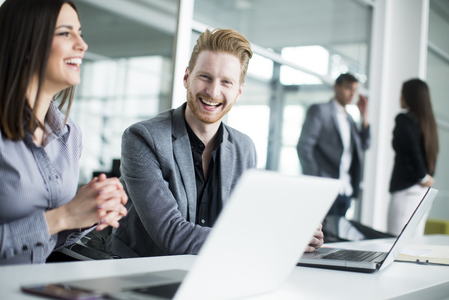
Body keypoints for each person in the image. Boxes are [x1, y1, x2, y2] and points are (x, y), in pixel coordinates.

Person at [107, 28, 324, 258]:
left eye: (226, 82)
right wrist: (274, 238)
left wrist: (296, 229)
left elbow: (245, 221)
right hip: (142, 272)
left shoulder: (244, 148)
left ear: (239, 92)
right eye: (205, 77)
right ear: (186, 77)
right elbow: (172, 234)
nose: (213, 91)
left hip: (213, 269)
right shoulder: (142, 138)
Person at [0, 0, 128, 265]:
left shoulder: (70, 135)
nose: (82, 45)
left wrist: (88, 214)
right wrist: (65, 216)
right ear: (26, 42)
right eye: (65, 33)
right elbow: (56, 221)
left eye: (80, 33)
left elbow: (49, 241)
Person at [297, 73, 370, 217]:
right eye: (348, 88)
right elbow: (304, 147)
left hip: (346, 190)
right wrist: (316, 180)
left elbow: (365, 145)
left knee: (339, 237)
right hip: (324, 188)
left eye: (355, 90)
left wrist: (364, 116)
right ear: (337, 88)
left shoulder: (350, 119)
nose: (352, 93)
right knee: (322, 237)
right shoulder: (320, 110)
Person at [388, 78, 439, 237]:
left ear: (409, 96)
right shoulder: (428, 123)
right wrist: (425, 176)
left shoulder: (404, 120)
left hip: (407, 191)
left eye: (402, 93)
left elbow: (412, 150)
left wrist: (422, 176)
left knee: (395, 244)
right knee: (414, 245)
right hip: (422, 193)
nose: (400, 97)